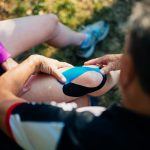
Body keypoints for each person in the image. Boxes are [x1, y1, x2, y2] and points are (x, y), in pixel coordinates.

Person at [0, 1, 150, 150]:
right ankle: (84, 40)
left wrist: (33, 62)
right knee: (51, 23)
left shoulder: (78, 131)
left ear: (127, 73)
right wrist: (4, 56)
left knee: (89, 85)